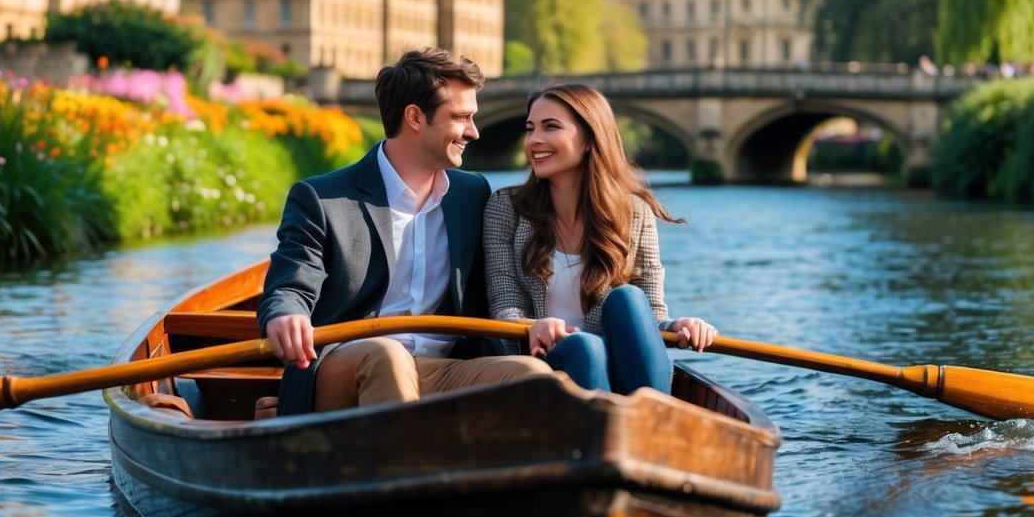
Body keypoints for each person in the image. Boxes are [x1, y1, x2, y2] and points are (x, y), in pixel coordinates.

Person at [257, 47, 550, 416]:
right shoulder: (321, 197)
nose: (474, 132)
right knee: (387, 354)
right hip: (343, 367)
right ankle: (412, 467)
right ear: (414, 117)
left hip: (441, 369)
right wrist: (287, 315)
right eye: (461, 117)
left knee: (532, 376)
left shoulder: (472, 193)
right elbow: (288, 286)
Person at [483, 82, 716, 395]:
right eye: (530, 128)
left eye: (550, 127)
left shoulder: (635, 212)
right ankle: (629, 427)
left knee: (628, 298)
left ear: (590, 140)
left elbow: (651, 315)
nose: (534, 140)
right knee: (584, 346)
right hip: (543, 363)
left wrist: (678, 326)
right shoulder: (505, 208)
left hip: (618, 366)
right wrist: (533, 326)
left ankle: (648, 417)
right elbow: (505, 306)